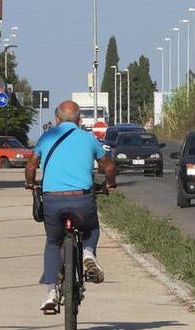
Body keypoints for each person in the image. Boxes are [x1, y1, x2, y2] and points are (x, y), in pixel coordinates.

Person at [25, 100, 117, 312]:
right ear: (80, 120)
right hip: (82, 200)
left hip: (52, 201)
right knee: (92, 228)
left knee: (53, 242)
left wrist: (30, 184)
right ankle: (87, 252)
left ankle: (50, 293)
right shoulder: (89, 139)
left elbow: (31, 165)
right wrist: (109, 183)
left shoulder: (46, 137)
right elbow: (108, 165)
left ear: (57, 119)